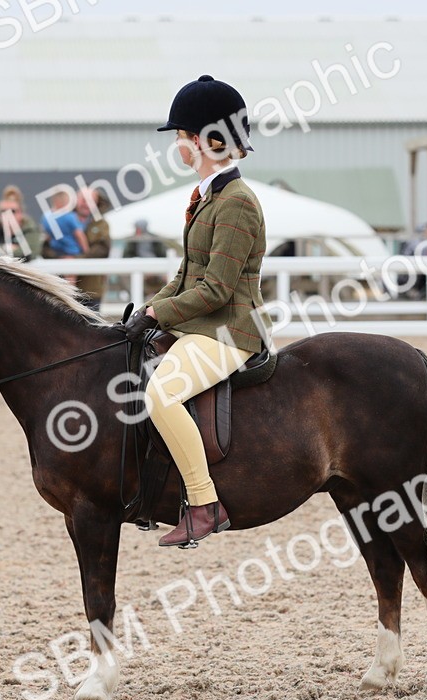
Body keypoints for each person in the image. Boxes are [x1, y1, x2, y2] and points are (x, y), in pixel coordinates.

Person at [121, 74, 268, 549]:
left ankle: (204, 504)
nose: (179, 147)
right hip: (201, 324)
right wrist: (149, 309)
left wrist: (159, 316)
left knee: (161, 395)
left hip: (230, 331)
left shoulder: (237, 203)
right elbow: (186, 277)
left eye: (182, 138)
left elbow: (218, 289)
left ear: (207, 140)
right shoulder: (208, 197)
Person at [75, 187, 112, 310]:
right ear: (76, 200)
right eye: (83, 199)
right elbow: (48, 248)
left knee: (92, 326)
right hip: (64, 289)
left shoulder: (101, 224)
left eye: (90, 200)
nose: (86, 204)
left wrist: (75, 259)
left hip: (91, 289)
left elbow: (103, 249)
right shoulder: (63, 221)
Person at [0, 185, 42, 260]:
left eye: (12, 211)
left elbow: (30, 253)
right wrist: (6, 248)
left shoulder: (30, 230)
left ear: (20, 213)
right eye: (3, 211)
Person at [40, 190, 87, 259]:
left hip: (55, 255)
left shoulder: (45, 217)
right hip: (73, 255)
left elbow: (48, 237)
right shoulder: (70, 216)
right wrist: (87, 253)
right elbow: (79, 235)